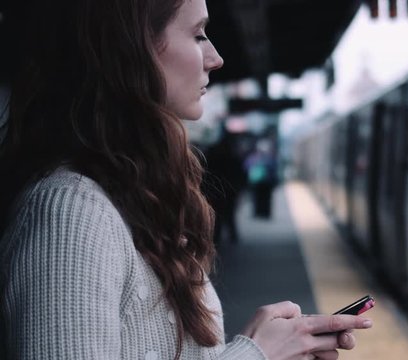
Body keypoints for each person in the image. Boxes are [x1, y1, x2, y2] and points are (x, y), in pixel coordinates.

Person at [0, 0, 372, 359]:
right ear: (131, 47)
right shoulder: (69, 213)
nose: (216, 58)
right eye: (197, 35)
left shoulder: (128, 193)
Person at [244, 139, 278, 218]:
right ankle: (266, 213)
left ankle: (257, 213)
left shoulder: (253, 157)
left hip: (256, 182)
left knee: (256, 198)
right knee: (267, 199)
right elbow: (273, 169)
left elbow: (246, 166)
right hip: (268, 183)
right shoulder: (270, 158)